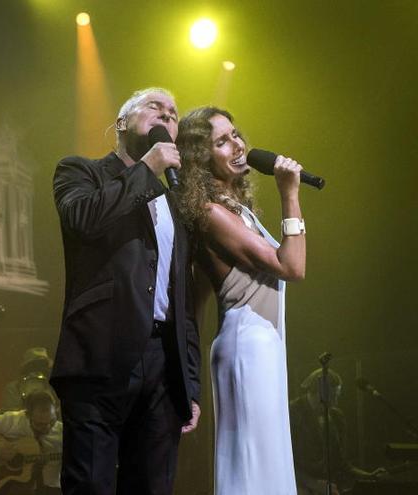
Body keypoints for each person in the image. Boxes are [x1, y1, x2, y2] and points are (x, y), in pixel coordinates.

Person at [51, 87, 201, 495]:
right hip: (99, 355)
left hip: (161, 366)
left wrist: (190, 382)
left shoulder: (173, 201)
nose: (168, 116)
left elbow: (182, 297)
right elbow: (82, 218)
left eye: (173, 114)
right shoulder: (79, 171)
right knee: (91, 485)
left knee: (153, 486)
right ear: (121, 123)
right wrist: (147, 168)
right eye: (155, 107)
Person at [175, 106, 306, 494]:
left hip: (260, 344)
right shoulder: (211, 213)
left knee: (266, 463)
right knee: (253, 466)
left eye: (235, 135)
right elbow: (292, 266)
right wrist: (290, 194)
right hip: (248, 345)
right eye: (221, 141)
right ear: (201, 159)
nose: (237, 145)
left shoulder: (234, 211)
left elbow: (195, 302)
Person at [290, 369, 388, 495]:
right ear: (318, 392)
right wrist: (313, 483)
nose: (335, 401)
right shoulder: (292, 414)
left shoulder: (336, 417)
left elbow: (340, 462)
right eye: (332, 396)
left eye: (337, 396)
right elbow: (284, 462)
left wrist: (368, 476)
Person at [0, 391, 63, 494]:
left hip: (49, 488)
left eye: (51, 421)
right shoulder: (13, 420)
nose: (47, 428)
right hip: (9, 488)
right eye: (40, 424)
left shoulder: (62, 431)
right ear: (28, 415)